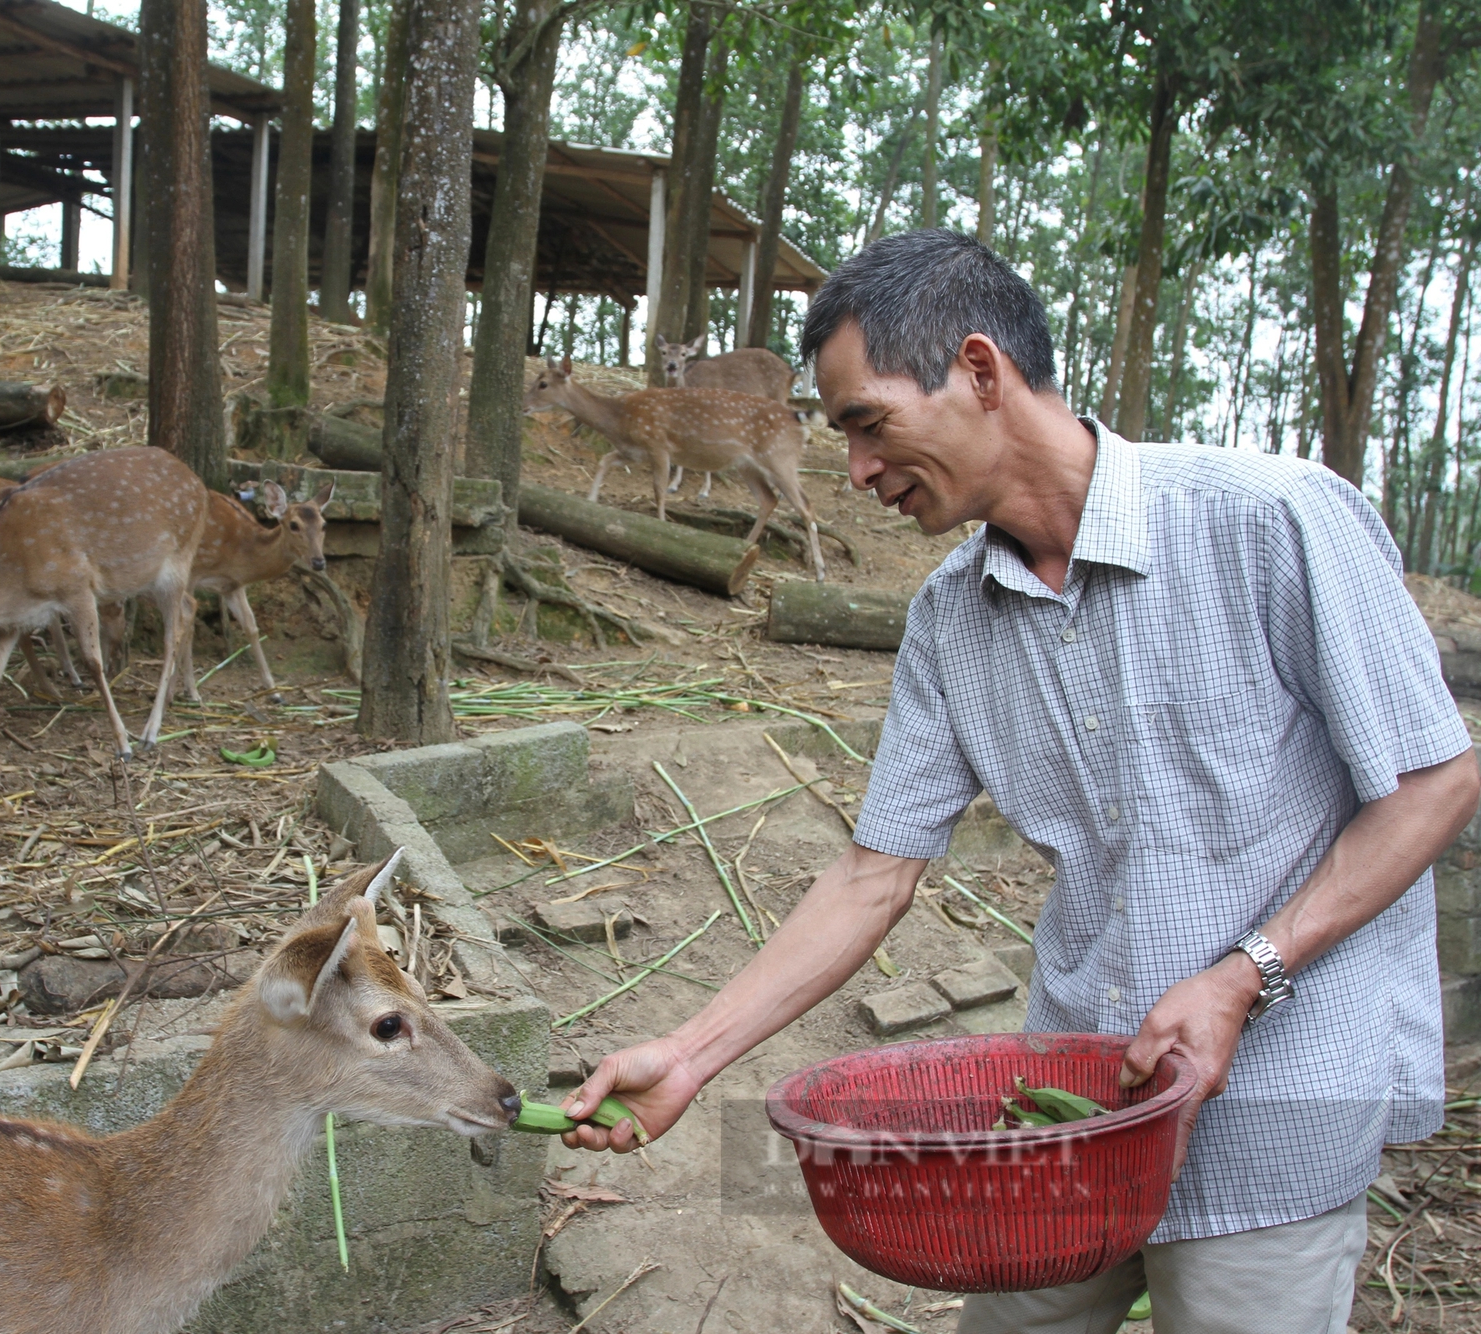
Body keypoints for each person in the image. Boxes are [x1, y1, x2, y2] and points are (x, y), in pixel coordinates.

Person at [559, 229, 1479, 1334]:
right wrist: (689, 1054)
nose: (853, 472)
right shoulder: (949, 618)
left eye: (867, 423)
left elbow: (1433, 779)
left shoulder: (1270, 520)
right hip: (1067, 1104)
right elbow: (870, 873)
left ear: (980, 372)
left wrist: (1241, 975)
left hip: (1275, 1101)